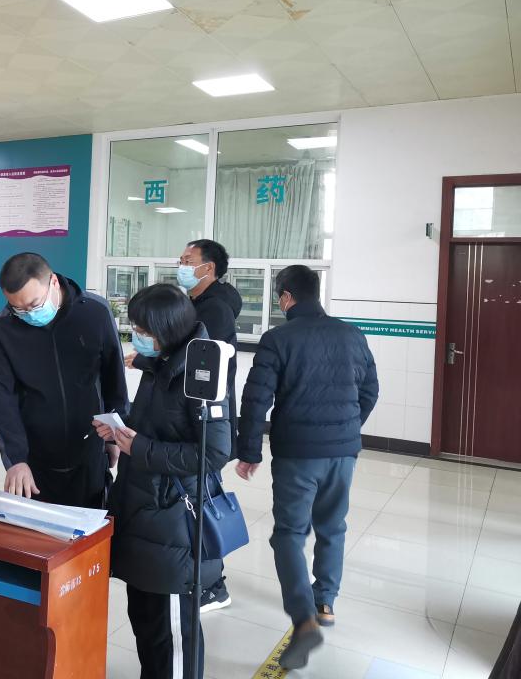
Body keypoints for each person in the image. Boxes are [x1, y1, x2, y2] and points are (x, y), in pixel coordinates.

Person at [236, 265, 378, 670]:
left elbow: (256, 400)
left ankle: (304, 620)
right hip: (343, 453)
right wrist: (346, 429)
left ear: (285, 297)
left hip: (297, 453)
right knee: (332, 526)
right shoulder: (351, 334)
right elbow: (370, 390)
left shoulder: (278, 339)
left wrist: (249, 451)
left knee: (288, 535)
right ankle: (325, 602)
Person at [94, 283, 230, 679]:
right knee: (147, 621)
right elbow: (157, 426)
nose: (137, 336)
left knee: (171, 631)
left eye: (143, 329)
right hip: (144, 511)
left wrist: (141, 448)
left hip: (173, 522)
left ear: (167, 329)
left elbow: (212, 454)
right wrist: (121, 430)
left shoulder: (201, 374)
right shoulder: (162, 364)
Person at [0, 252, 128, 509]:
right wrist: (16, 460)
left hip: (89, 449)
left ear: (53, 282)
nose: (28, 314)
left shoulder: (95, 312)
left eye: (34, 304)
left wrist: (114, 436)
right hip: (36, 457)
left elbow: (114, 378)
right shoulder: (2, 328)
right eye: (18, 308)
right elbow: (1, 397)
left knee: (90, 525)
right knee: (35, 528)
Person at [177, 239, 242, 613]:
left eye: (189, 260)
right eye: (181, 259)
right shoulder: (196, 304)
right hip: (191, 416)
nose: (182, 264)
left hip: (206, 419)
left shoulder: (215, 310)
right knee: (192, 502)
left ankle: (214, 585)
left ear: (209, 268)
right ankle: (201, 579)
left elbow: (202, 366)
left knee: (202, 503)